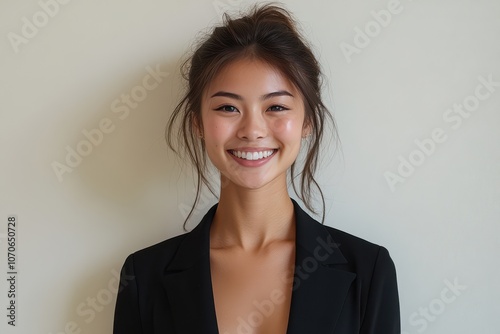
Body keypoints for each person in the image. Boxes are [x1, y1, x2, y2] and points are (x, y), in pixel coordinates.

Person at [113, 4, 400, 334]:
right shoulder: (144, 276)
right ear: (198, 123)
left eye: (276, 106)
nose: (252, 130)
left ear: (307, 120)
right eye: (228, 108)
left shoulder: (369, 270)